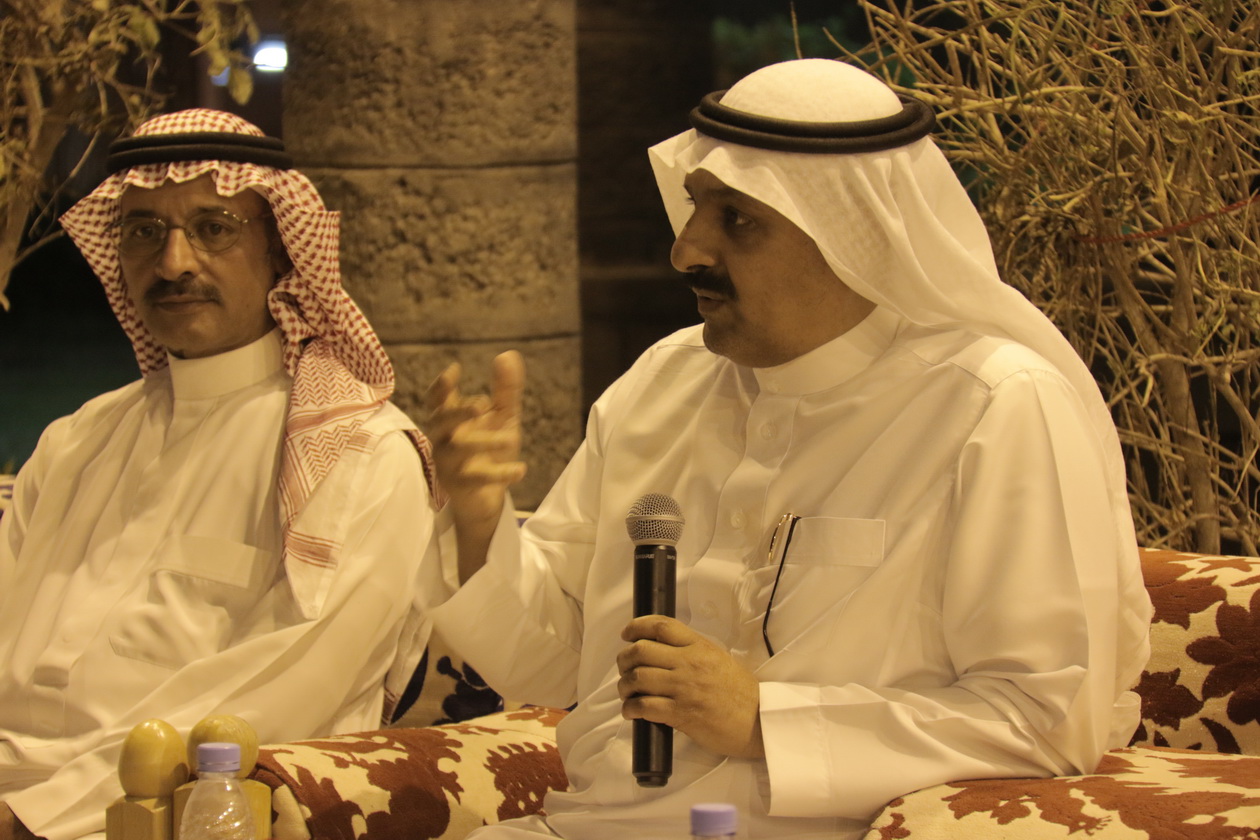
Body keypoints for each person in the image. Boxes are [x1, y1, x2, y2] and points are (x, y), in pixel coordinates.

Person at [420, 59, 1153, 839]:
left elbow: (1044, 719)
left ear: (854, 236)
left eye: (738, 220)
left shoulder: (994, 405)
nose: (686, 251)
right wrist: (479, 520)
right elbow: (555, 662)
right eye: (697, 206)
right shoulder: (664, 381)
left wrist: (766, 721)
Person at [0, 109, 441, 840]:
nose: (174, 263)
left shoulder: (359, 455)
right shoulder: (75, 442)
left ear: (280, 252)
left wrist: (27, 815)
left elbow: (277, 695)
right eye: (145, 232)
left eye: (213, 228)